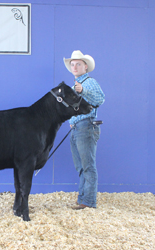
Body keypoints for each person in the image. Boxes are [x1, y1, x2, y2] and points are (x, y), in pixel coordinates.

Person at [63, 50, 105, 210]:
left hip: (86, 126)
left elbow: (100, 98)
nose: (74, 67)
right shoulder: (77, 84)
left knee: (87, 165)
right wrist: (72, 120)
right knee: (81, 166)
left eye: (78, 64)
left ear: (85, 67)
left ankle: (88, 201)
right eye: (72, 64)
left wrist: (83, 90)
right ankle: (83, 198)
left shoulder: (89, 83)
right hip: (77, 127)